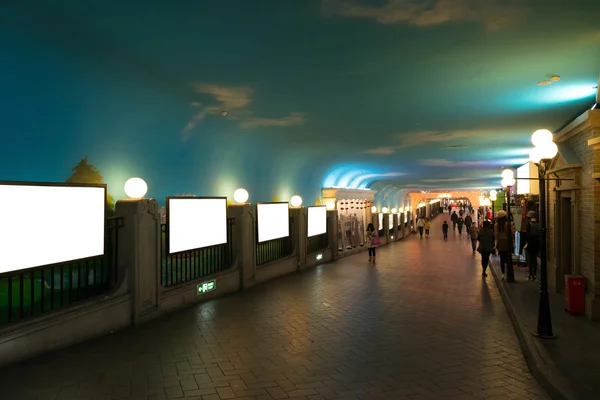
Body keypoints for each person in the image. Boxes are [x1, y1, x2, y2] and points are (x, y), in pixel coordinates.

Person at [494, 210, 513, 280]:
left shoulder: (496, 225)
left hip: (500, 244)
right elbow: (512, 234)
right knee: (508, 259)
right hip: (508, 243)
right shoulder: (508, 224)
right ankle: (509, 274)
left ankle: (502, 274)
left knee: (502, 259)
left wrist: (496, 245)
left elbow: (496, 235)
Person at [525, 210, 539, 280]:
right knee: (535, 259)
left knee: (530, 259)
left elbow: (527, 235)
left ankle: (530, 274)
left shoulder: (529, 224)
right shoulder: (538, 224)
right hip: (536, 243)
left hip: (530, 243)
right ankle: (535, 274)